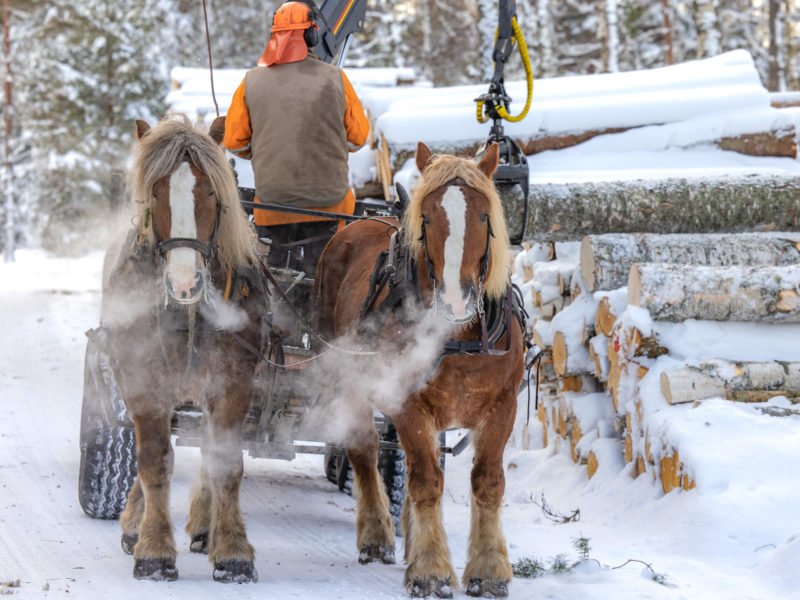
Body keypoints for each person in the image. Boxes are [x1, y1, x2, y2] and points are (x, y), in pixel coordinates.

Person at [223, 1, 370, 280]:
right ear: (312, 35)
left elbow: (234, 142)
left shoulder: (251, 81)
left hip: (272, 206)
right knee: (326, 273)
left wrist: (266, 147)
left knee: (275, 272)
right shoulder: (336, 79)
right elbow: (358, 138)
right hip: (329, 206)